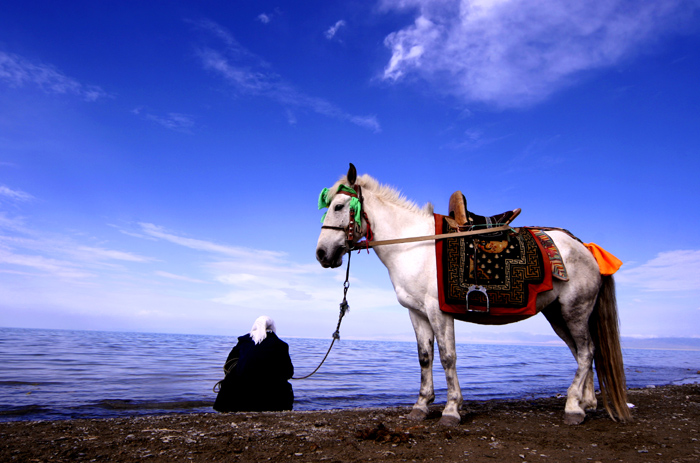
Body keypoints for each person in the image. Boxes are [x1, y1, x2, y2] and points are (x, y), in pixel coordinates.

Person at [213, 316, 294, 412]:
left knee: (230, 380)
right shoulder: (281, 345)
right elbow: (288, 372)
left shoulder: (243, 342)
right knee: (284, 386)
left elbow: (227, 366)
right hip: (268, 397)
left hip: (237, 397)